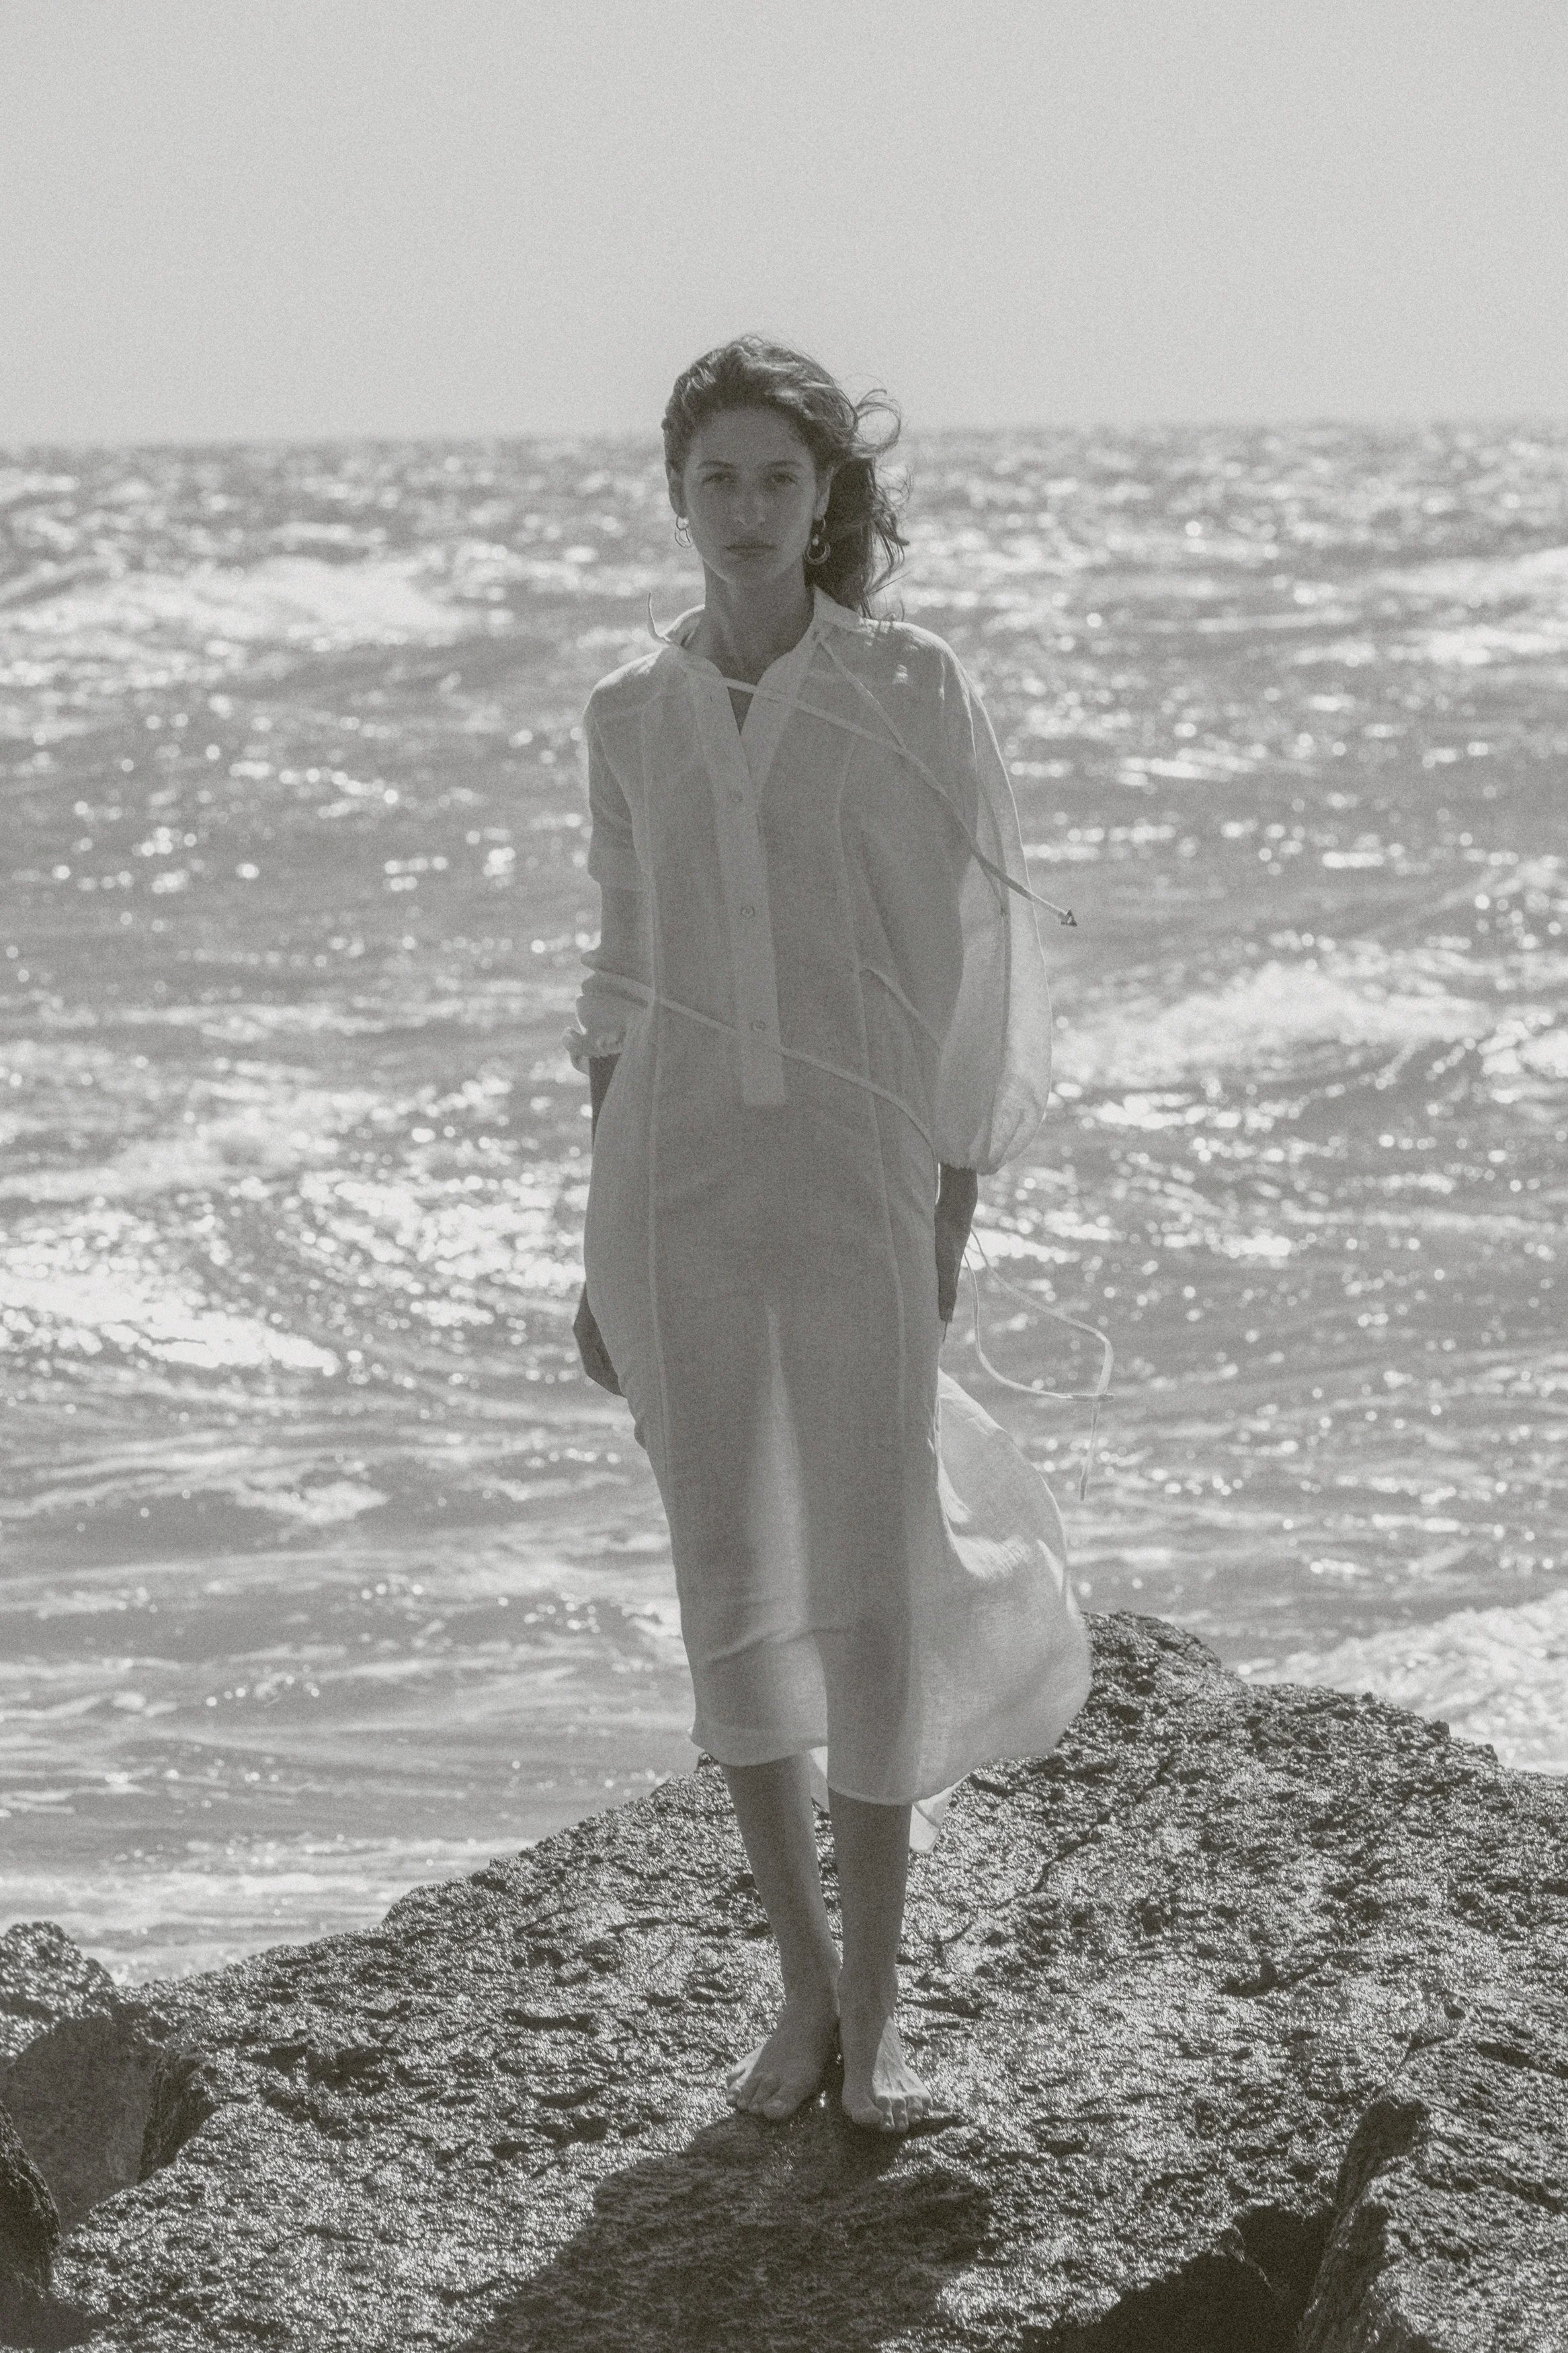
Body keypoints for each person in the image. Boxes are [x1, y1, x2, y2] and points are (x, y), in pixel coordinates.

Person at [565, 335, 1090, 2135]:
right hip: (669, 1194)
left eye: (777, 480)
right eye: (715, 479)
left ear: (822, 499)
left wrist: (943, 1198)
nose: (745, 512)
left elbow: (974, 962)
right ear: (674, 493)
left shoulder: (904, 687)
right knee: (729, 1594)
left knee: (868, 1594)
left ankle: (878, 2033)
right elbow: (619, 984)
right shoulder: (624, 715)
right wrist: (592, 1255)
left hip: (856, 1179)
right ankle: (793, 2000)